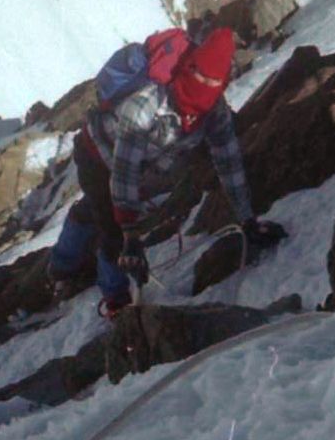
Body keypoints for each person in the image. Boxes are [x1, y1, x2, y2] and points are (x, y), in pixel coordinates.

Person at [48, 26, 283, 317]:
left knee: (95, 211)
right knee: (113, 231)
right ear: (187, 72)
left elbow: (228, 161)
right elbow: (124, 171)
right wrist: (131, 235)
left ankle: (67, 259)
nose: (195, 109)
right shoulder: (145, 104)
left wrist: (247, 218)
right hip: (96, 154)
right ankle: (113, 299)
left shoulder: (213, 110)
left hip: (141, 163)